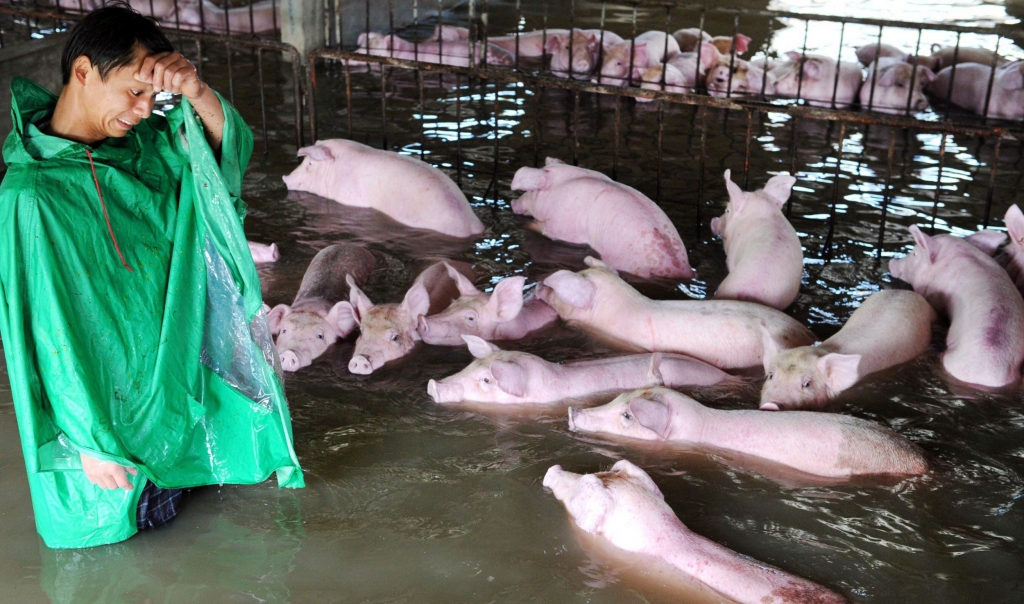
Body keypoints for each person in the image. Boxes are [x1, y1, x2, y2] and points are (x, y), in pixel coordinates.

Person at [0, 2, 303, 549]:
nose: (144, 110)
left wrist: (197, 93)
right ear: (85, 71)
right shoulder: (33, 195)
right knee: (130, 533)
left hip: (174, 385)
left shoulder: (146, 149)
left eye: (152, 96)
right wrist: (87, 442)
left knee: (212, 523)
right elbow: (44, 333)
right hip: (105, 413)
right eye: (133, 92)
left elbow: (219, 166)